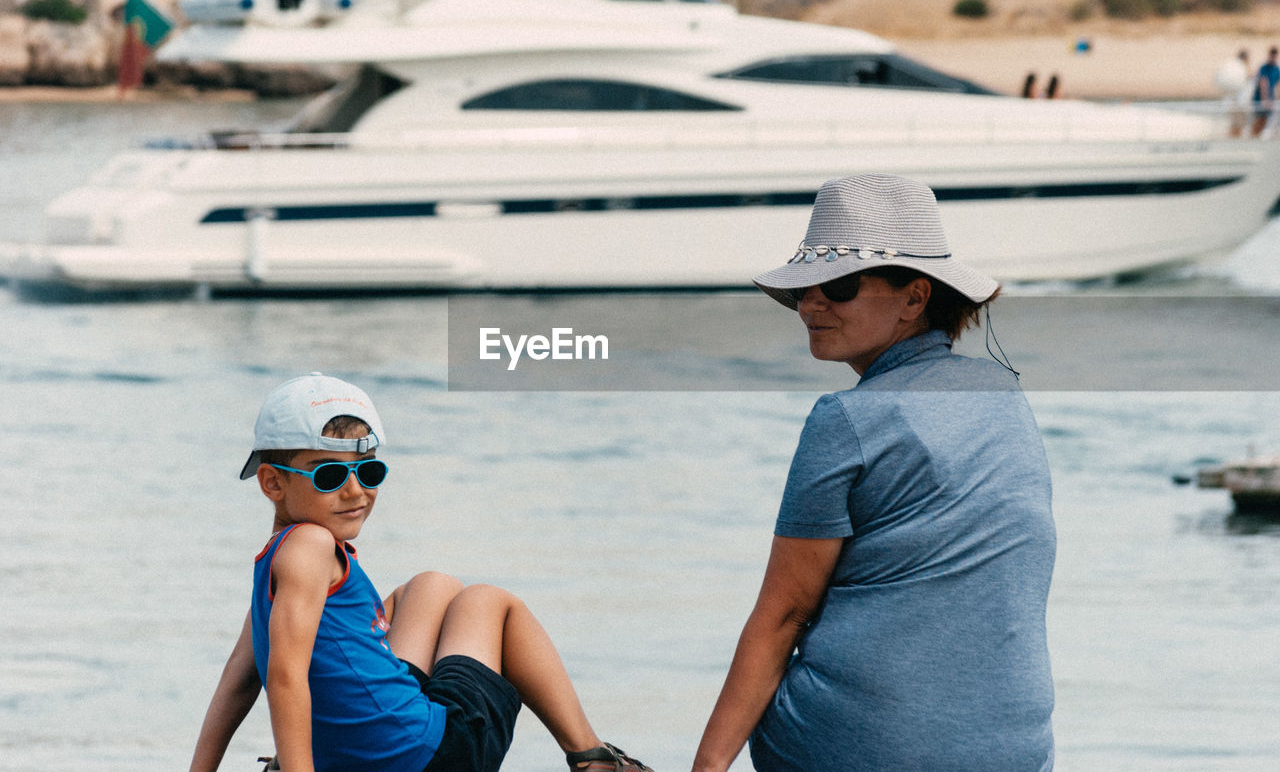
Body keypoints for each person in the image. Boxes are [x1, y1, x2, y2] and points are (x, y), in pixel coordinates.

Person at [691, 174, 1056, 772]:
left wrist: (705, 769)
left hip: (861, 745)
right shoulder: (1003, 392)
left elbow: (784, 614)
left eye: (837, 285)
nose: (811, 304)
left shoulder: (846, 417)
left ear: (915, 298)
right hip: (1014, 748)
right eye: (805, 287)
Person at [189, 373, 652, 772]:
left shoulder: (276, 558)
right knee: (489, 601)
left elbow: (241, 677)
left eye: (368, 471)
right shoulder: (311, 545)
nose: (355, 491)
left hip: (372, 750)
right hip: (430, 757)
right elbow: (285, 675)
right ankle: (592, 756)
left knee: (432, 586)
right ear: (273, 482)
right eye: (329, 476)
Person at [1251, 46, 1279, 138]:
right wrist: (1265, 100)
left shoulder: (1276, 69)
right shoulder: (1264, 68)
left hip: (1270, 100)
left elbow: (1277, 86)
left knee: (1266, 121)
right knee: (1260, 120)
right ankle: (1253, 137)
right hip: (1260, 99)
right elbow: (1263, 84)